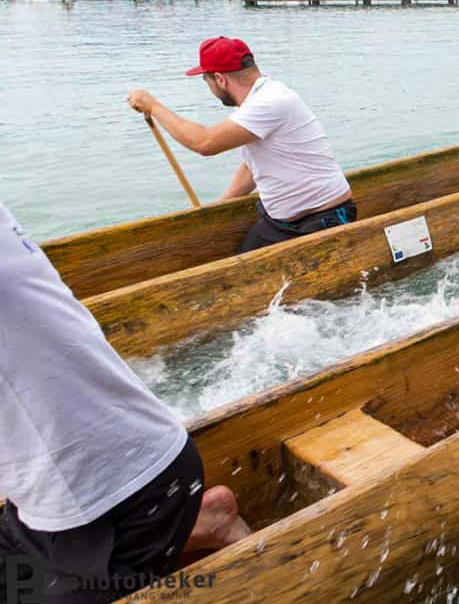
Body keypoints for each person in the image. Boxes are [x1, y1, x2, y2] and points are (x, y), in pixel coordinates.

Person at [0, 204, 250, 603]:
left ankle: (182, 525)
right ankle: (200, 523)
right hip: (48, 494)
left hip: (122, 489)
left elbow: (209, 144)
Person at [127, 36, 355, 254]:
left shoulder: (270, 101)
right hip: (281, 224)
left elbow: (205, 143)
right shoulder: (257, 101)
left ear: (220, 79)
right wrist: (217, 210)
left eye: (206, 80)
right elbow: (251, 167)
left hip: (323, 218)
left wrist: (154, 106)